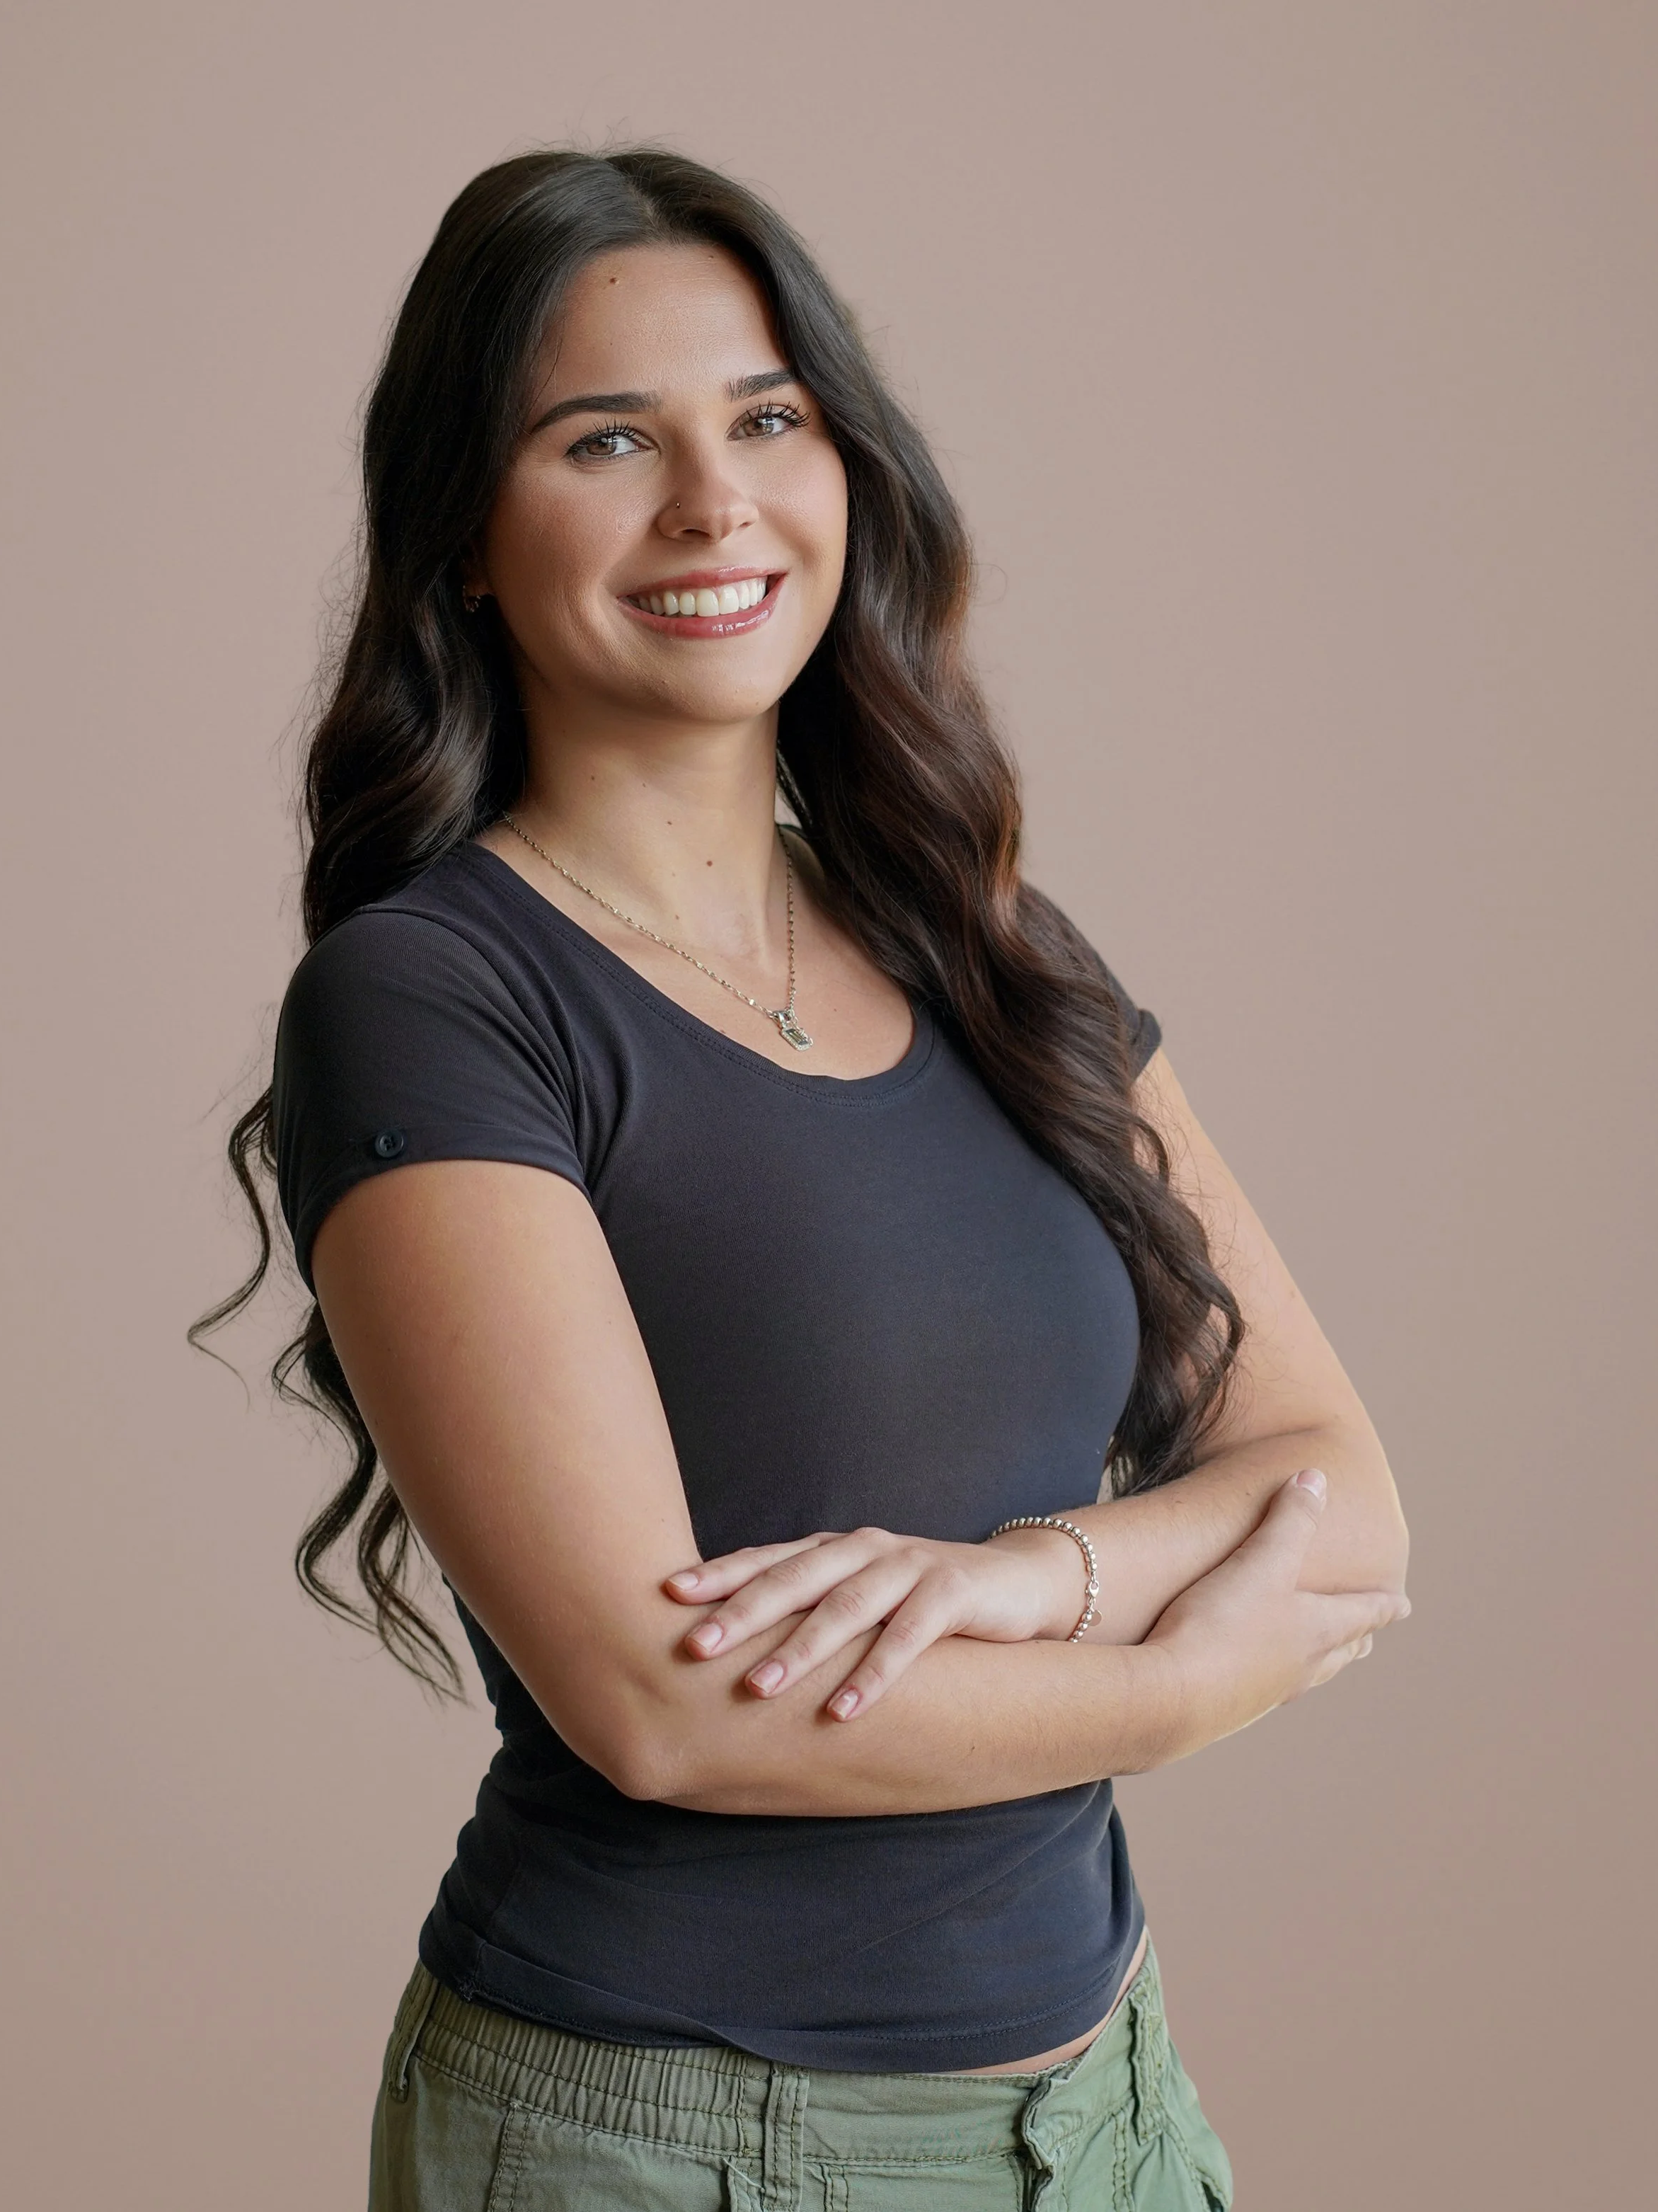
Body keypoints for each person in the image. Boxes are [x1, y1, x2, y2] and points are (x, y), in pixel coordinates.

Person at [205, 147, 1410, 2210]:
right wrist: (1194, 1679)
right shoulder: (432, 1002)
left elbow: (1337, 1484)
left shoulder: (989, 937)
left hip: (1096, 2104)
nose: (713, 501)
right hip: (667, 2139)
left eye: (767, 417)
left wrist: (1024, 1574)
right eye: (606, 439)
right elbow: (672, 1715)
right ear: (468, 538)